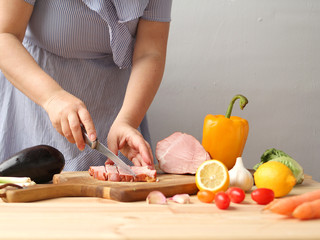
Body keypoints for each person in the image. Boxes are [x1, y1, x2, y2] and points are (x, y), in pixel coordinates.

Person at [0, 0, 172, 170]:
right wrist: (52, 97)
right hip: (35, 101)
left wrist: (127, 120)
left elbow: (150, 53)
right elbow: (5, 35)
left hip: (118, 107)